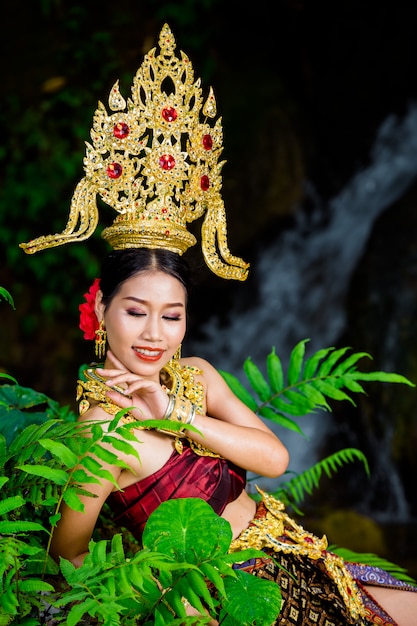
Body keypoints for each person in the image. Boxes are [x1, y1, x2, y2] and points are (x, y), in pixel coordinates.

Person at [21, 24, 417, 626]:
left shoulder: (196, 377)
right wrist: (162, 605)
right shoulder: (98, 431)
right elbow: (66, 552)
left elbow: (275, 458)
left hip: (297, 555)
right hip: (230, 603)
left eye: (172, 315)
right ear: (101, 310)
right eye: (136, 311)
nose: (155, 333)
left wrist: (175, 411)